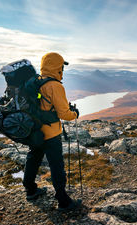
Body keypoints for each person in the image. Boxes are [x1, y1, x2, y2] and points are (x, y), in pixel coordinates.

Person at [23, 52, 81, 211]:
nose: (63, 70)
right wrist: (74, 113)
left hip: (35, 131)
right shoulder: (55, 86)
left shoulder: (36, 81)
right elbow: (64, 114)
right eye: (62, 66)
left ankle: (30, 190)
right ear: (57, 67)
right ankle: (63, 201)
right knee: (56, 165)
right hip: (50, 133)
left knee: (33, 158)